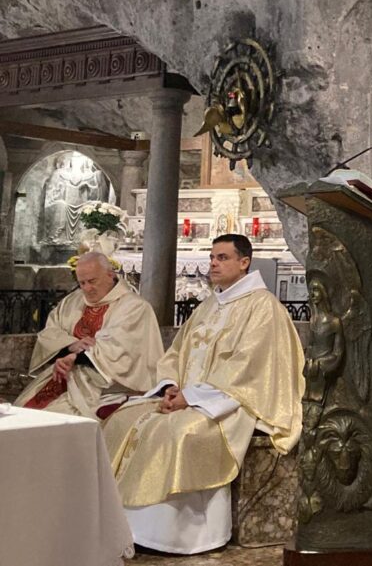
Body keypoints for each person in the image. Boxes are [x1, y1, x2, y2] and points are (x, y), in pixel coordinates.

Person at [103, 234, 304, 554]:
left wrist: (193, 397)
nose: (213, 263)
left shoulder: (263, 307)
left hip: (232, 402)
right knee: (122, 419)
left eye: (222, 258)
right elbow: (177, 352)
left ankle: (173, 536)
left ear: (244, 262)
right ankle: (126, 525)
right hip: (190, 397)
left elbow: (249, 367)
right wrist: (170, 387)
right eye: (212, 257)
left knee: (179, 433)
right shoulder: (210, 304)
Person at [15, 251, 163, 419]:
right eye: (82, 283)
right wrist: (70, 345)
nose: (86, 288)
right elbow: (49, 332)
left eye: (92, 281)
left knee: (57, 418)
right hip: (63, 376)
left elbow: (118, 348)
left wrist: (75, 357)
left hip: (108, 387)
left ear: (110, 275)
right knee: (21, 409)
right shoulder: (72, 301)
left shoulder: (134, 307)